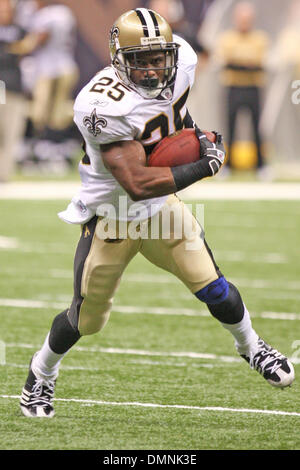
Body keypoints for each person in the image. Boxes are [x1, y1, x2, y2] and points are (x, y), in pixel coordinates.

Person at [19, 7, 294, 418]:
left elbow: (174, 114)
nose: (151, 70)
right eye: (140, 61)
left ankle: (252, 347)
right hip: (114, 215)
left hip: (161, 209)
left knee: (213, 286)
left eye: (157, 59)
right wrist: (205, 164)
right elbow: (136, 181)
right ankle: (41, 373)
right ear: (118, 61)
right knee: (86, 318)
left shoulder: (182, 59)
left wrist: (196, 136)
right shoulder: (102, 105)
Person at [9, 0, 79, 171]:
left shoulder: (49, 15)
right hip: (65, 66)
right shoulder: (64, 12)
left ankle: (46, 148)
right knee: (56, 112)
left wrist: (12, 49)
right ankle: (54, 149)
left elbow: (37, 40)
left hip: (49, 70)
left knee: (42, 113)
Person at [215, 1, 270, 178]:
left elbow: (260, 63)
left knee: (257, 127)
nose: (244, 22)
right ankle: (228, 164)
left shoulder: (260, 38)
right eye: (242, 18)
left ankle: (261, 165)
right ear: (236, 19)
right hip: (234, 87)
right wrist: (246, 64)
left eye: (247, 19)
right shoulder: (227, 38)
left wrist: (240, 63)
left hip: (253, 87)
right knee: (230, 126)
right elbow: (226, 63)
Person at [0, 0, 27, 182]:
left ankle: (4, 175)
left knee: (12, 132)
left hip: (15, 88)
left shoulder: (20, 30)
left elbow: (29, 49)